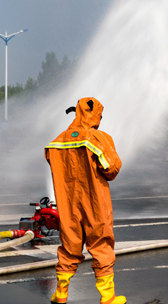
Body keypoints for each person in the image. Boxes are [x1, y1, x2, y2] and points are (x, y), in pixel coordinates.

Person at [45, 97, 125, 304]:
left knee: (69, 246)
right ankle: (108, 297)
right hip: (94, 200)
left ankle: (61, 294)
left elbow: (53, 163)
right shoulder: (97, 138)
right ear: (94, 114)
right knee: (101, 243)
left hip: (67, 202)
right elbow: (111, 169)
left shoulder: (57, 141)